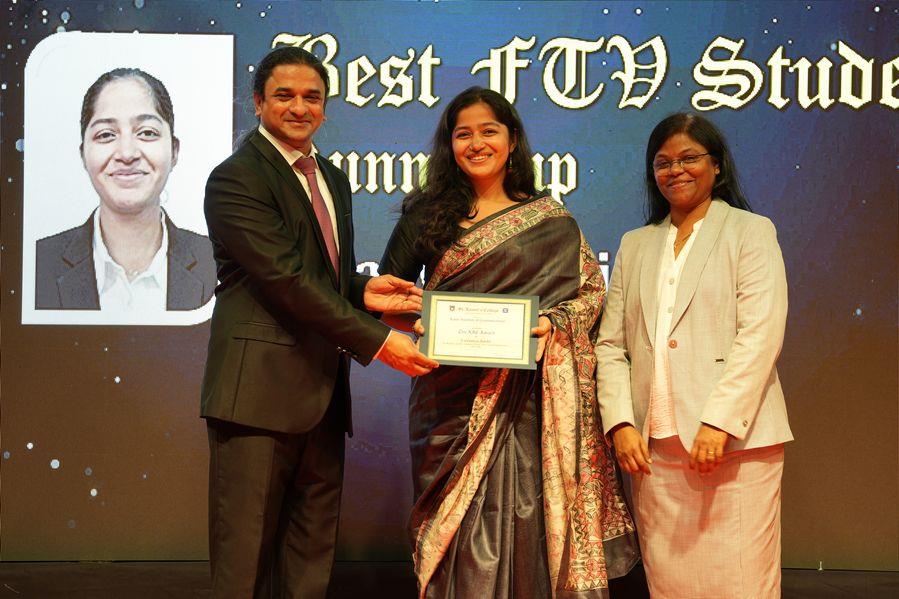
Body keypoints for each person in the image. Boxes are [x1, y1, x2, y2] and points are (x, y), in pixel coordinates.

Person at [380, 86, 641, 599]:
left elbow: (591, 296)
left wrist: (554, 324)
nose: (476, 143)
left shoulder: (551, 220)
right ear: (450, 144)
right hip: (448, 402)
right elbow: (389, 296)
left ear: (512, 139)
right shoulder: (425, 215)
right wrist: (421, 323)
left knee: (528, 522)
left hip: (528, 404)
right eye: (463, 134)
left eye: (489, 131)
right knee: (453, 529)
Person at [200, 47, 437, 598]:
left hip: (324, 398)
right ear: (258, 102)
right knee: (243, 566)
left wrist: (363, 291)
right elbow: (283, 280)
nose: (299, 107)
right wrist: (379, 341)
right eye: (284, 95)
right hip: (256, 400)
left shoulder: (330, 176)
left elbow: (317, 275)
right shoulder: (237, 178)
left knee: (309, 562)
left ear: (326, 108)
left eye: (312, 97)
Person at [595, 113, 793, 598]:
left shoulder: (750, 231)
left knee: (741, 582)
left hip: (735, 445)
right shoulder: (635, 244)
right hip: (654, 452)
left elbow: (761, 333)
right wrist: (620, 423)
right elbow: (611, 345)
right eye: (663, 163)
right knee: (671, 584)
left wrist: (719, 420)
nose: (675, 170)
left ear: (716, 165)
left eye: (689, 158)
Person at [35, 67, 216, 312]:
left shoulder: (221, 263)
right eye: (106, 135)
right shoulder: (35, 264)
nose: (127, 153)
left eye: (147, 132)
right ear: (83, 154)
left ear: (174, 151)